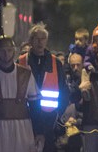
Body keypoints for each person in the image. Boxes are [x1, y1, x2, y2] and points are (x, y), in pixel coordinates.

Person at [18, 24, 69, 152]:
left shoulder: (55, 62)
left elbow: (64, 90)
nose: (40, 42)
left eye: (43, 39)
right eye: (37, 38)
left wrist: (58, 114)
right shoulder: (21, 61)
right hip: (27, 117)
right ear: (31, 41)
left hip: (49, 118)